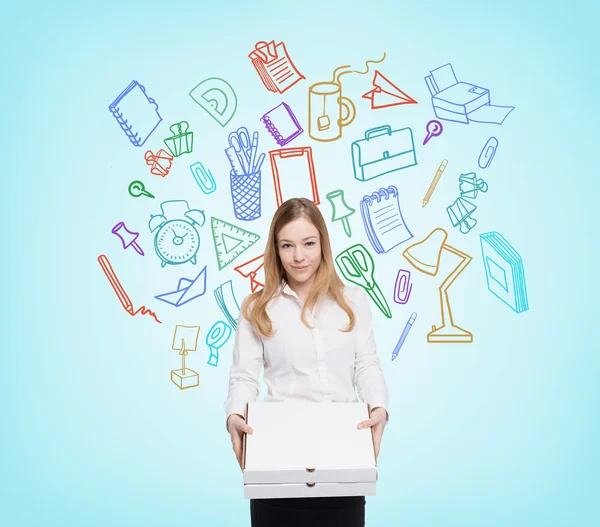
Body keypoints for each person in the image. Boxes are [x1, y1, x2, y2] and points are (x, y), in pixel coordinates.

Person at [224, 198, 389, 527]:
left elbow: (366, 364)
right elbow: (244, 375)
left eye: (308, 244)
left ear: (323, 245)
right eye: (287, 245)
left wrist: (379, 408)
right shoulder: (257, 307)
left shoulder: (353, 301)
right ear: (276, 250)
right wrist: (235, 415)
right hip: (275, 450)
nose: (299, 256)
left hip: (344, 448)